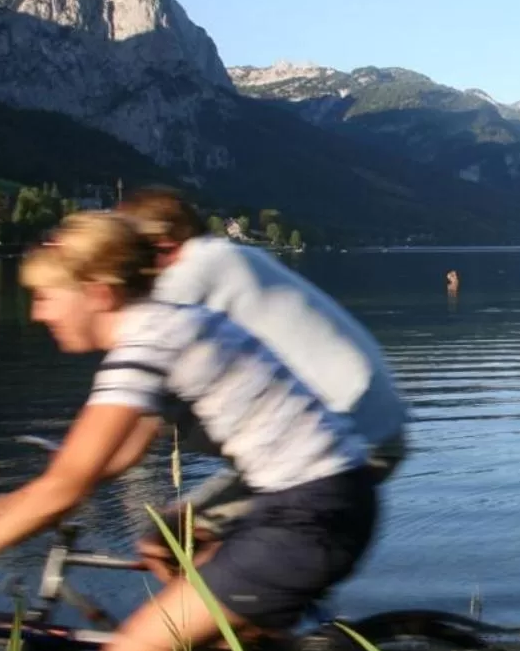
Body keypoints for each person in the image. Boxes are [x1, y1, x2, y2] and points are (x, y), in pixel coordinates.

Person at [0, 212, 379, 651]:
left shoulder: (147, 345)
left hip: (305, 517)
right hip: (322, 498)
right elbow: (114, 456)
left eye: (46, 296)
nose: (37, 312)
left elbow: (66, 487)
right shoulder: (166, 326)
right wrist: (9, 508)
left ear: (98, 293)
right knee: (183, 582)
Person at [114, 188, 407, 565]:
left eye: (126, 258)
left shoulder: (192, 272)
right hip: (359, 427)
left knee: (181, 535)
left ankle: (229, 598)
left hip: (346, 437)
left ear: (163, 244)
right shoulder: (230, 256)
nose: (124, 272)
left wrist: (75, 477)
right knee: (184, 535)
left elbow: (141, 381)